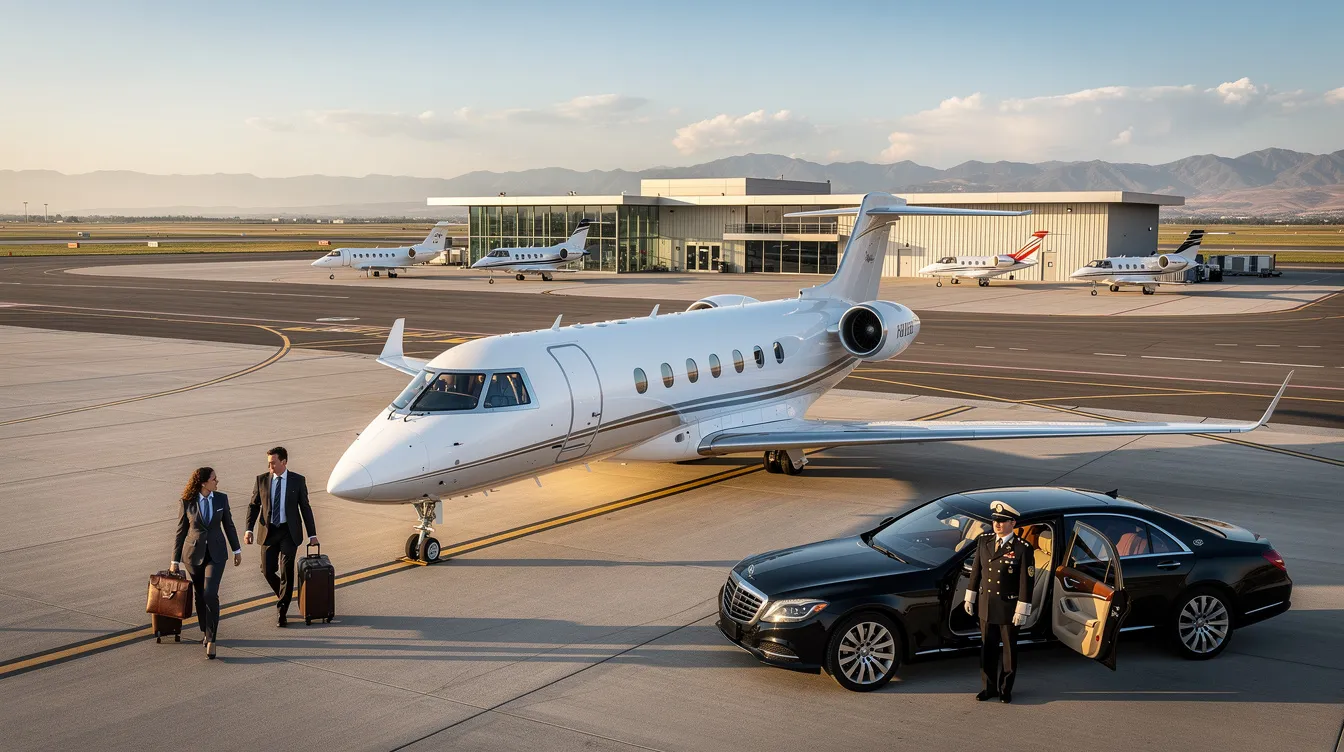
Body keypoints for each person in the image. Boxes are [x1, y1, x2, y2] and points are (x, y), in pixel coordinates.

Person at [963, 500, 1034, 703]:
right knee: (987, 648)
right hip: (986, 605)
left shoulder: (1022, 548)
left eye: (1002, 521)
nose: (997, 524)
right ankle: (988, 688)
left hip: (1008, 608)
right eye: (995, 520)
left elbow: (1026, 582)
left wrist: (1022, 609)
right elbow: (976, 572)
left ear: (1013, 523)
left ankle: (1005, 689)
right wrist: (970, 596)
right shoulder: (984, 541)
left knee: (1009, 651)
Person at [171, 467, 241, 659]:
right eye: (214, 479)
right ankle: (205, 630)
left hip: (216, 554)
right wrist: (174, 560)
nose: (217, 481)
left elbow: (229, 524)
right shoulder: (187, 502)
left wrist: (236, 550)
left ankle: (212, 639)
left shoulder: (221, 499)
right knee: (200, 595)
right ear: (203, 482)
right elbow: (181, 532)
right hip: (193, 555)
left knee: (210, 593)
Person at [246, 446, 318, 627]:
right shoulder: (261, 480)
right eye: (268, 463)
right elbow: (254, 506)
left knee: (286, 570)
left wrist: (312, 535)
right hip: (268, 532)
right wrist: (249, 530)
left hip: (288, 532)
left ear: (284, 462)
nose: (269, 466)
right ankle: (285, 595)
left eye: (273, 463)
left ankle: (282, 610)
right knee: (267, 570)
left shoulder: (297, 481)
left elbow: (305, 508)